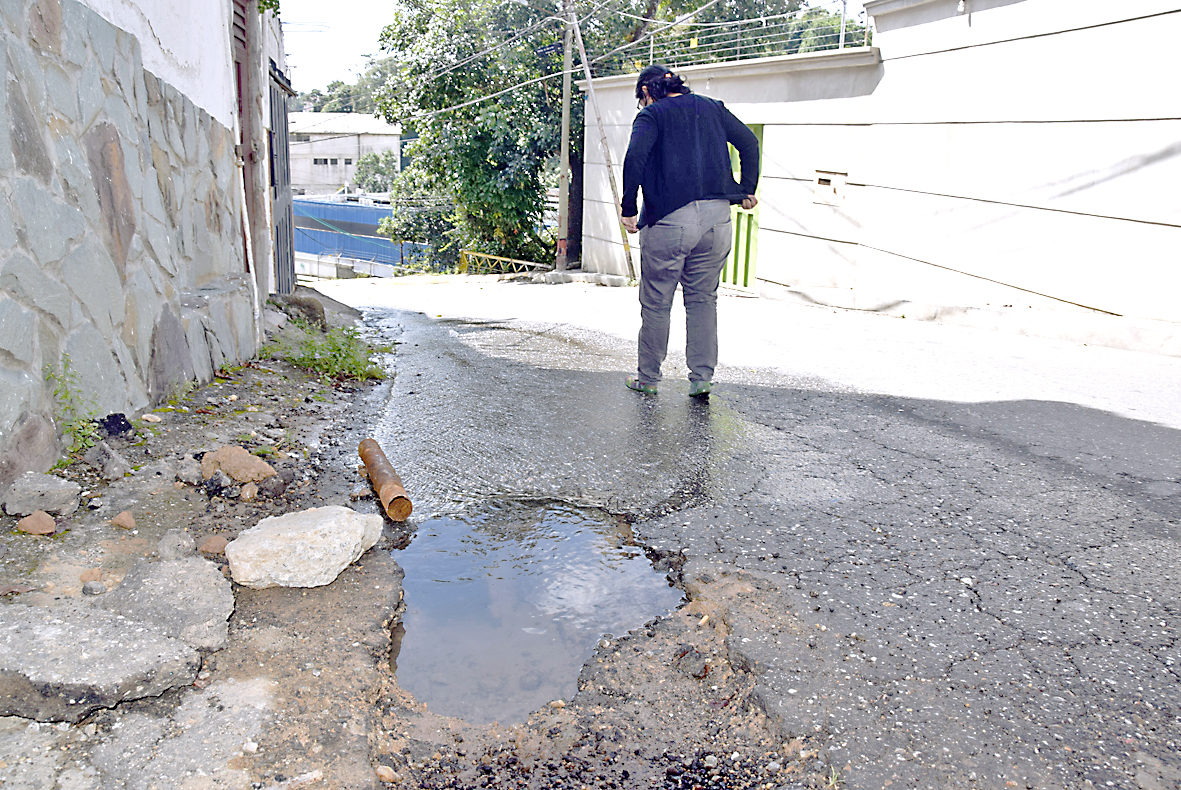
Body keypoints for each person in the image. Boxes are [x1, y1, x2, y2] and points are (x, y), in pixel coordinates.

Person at [620, 64, 760, 398]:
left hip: (670, 219)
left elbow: (635, 157)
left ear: (646, 91)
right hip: (716, 219)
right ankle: (701, 378)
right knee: (702, 299)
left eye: (641, 99)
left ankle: (648, 378)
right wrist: (746, 188)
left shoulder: (652, 115)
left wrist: (628, 209)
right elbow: (749, 143)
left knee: (656, 302)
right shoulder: (713, 108)